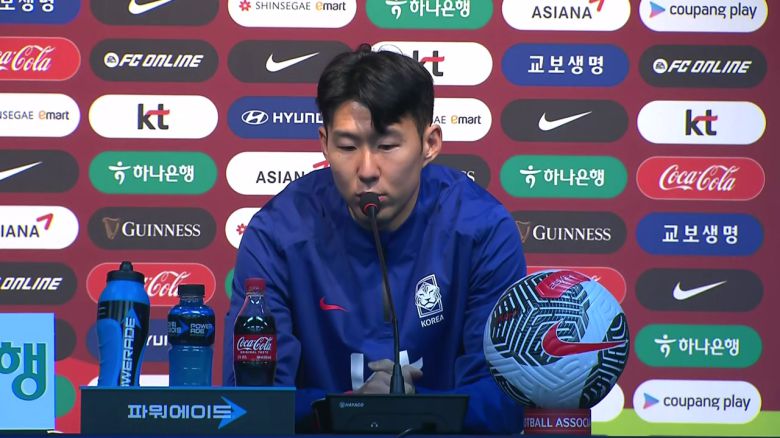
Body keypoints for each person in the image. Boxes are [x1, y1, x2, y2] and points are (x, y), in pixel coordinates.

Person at [223, 44, 527, 433]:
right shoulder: (276, 235)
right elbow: (251, 401)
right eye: (347, 147)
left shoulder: (483, 229)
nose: (367, 169)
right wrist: (351, 408)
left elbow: (505, 396)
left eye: (387, 146)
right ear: (324, 143)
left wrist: (414, 409)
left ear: (430, 144)